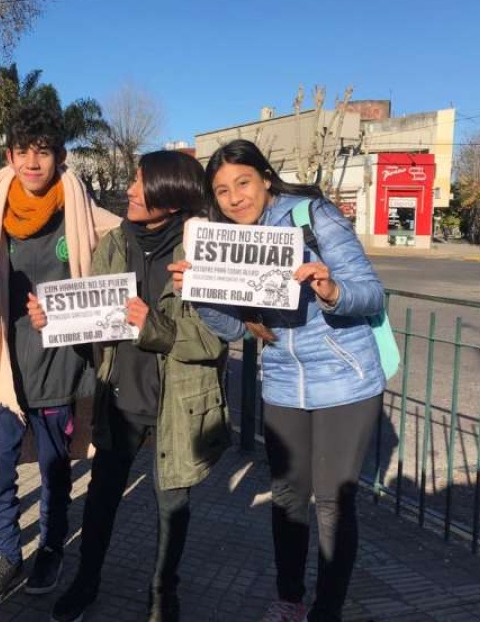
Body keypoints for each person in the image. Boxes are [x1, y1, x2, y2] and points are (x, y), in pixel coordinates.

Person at [171, 139, 386, 622]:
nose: (234, 198)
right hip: (284, 382)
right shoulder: (225, 240)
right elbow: (233, 329)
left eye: (242, 183)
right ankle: (289, 599)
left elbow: (372, 294)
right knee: (288, 496)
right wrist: (199, 292)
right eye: (222, 190)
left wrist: (331, 289)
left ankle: (326, 610)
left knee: (332, 501)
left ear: (265, 178)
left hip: (345, 380)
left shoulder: (313, 217)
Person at [31, 150, 231, 622]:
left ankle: (164, 594)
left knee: (171, 509)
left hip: (178, 405)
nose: (131, 190)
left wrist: (152, 326)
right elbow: (93, 332)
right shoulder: (114, 244)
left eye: (142, 183)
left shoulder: (202, 250)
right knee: (101, 503)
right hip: (120, 399)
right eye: (135, 181)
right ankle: (86, 581)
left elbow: (213, 341)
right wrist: (58, 323)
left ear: (171, 195)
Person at [0, 105, 120, 607]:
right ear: (9, 156)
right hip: (3, 364)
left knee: (54, 470)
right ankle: (8, 554)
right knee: (0, 469)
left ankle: (50, 548)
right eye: (23, 151)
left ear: (58, 157)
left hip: (59, 367)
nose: (33, 162)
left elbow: (130, 244)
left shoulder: (82, 212)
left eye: (43, 152)